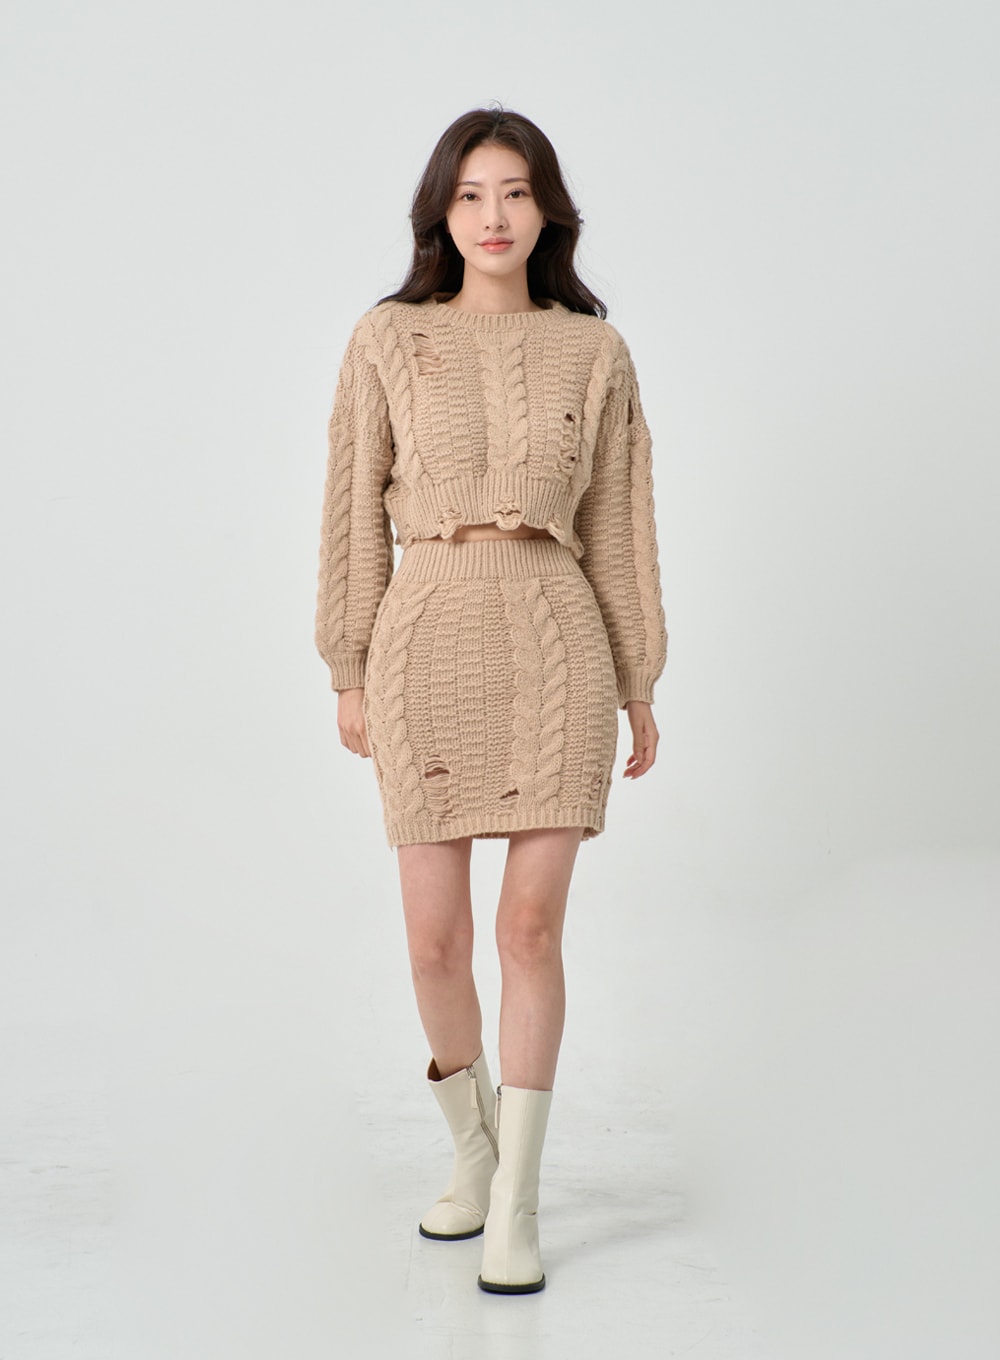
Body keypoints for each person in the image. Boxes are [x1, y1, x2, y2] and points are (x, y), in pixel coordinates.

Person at [314, 105, 667, 1294]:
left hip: (556, 642)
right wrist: (348, 666)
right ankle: (472, 1153)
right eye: (470, 194)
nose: (494, 215)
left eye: (514, 191)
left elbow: (618, 530)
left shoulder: (593, 353)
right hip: (424, 634)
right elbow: (350, 510)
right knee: (434, 942)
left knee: (527, 931)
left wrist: (639, 680)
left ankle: (516, 1200)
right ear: (442, 213)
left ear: (547, 208)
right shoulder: (388, 338)